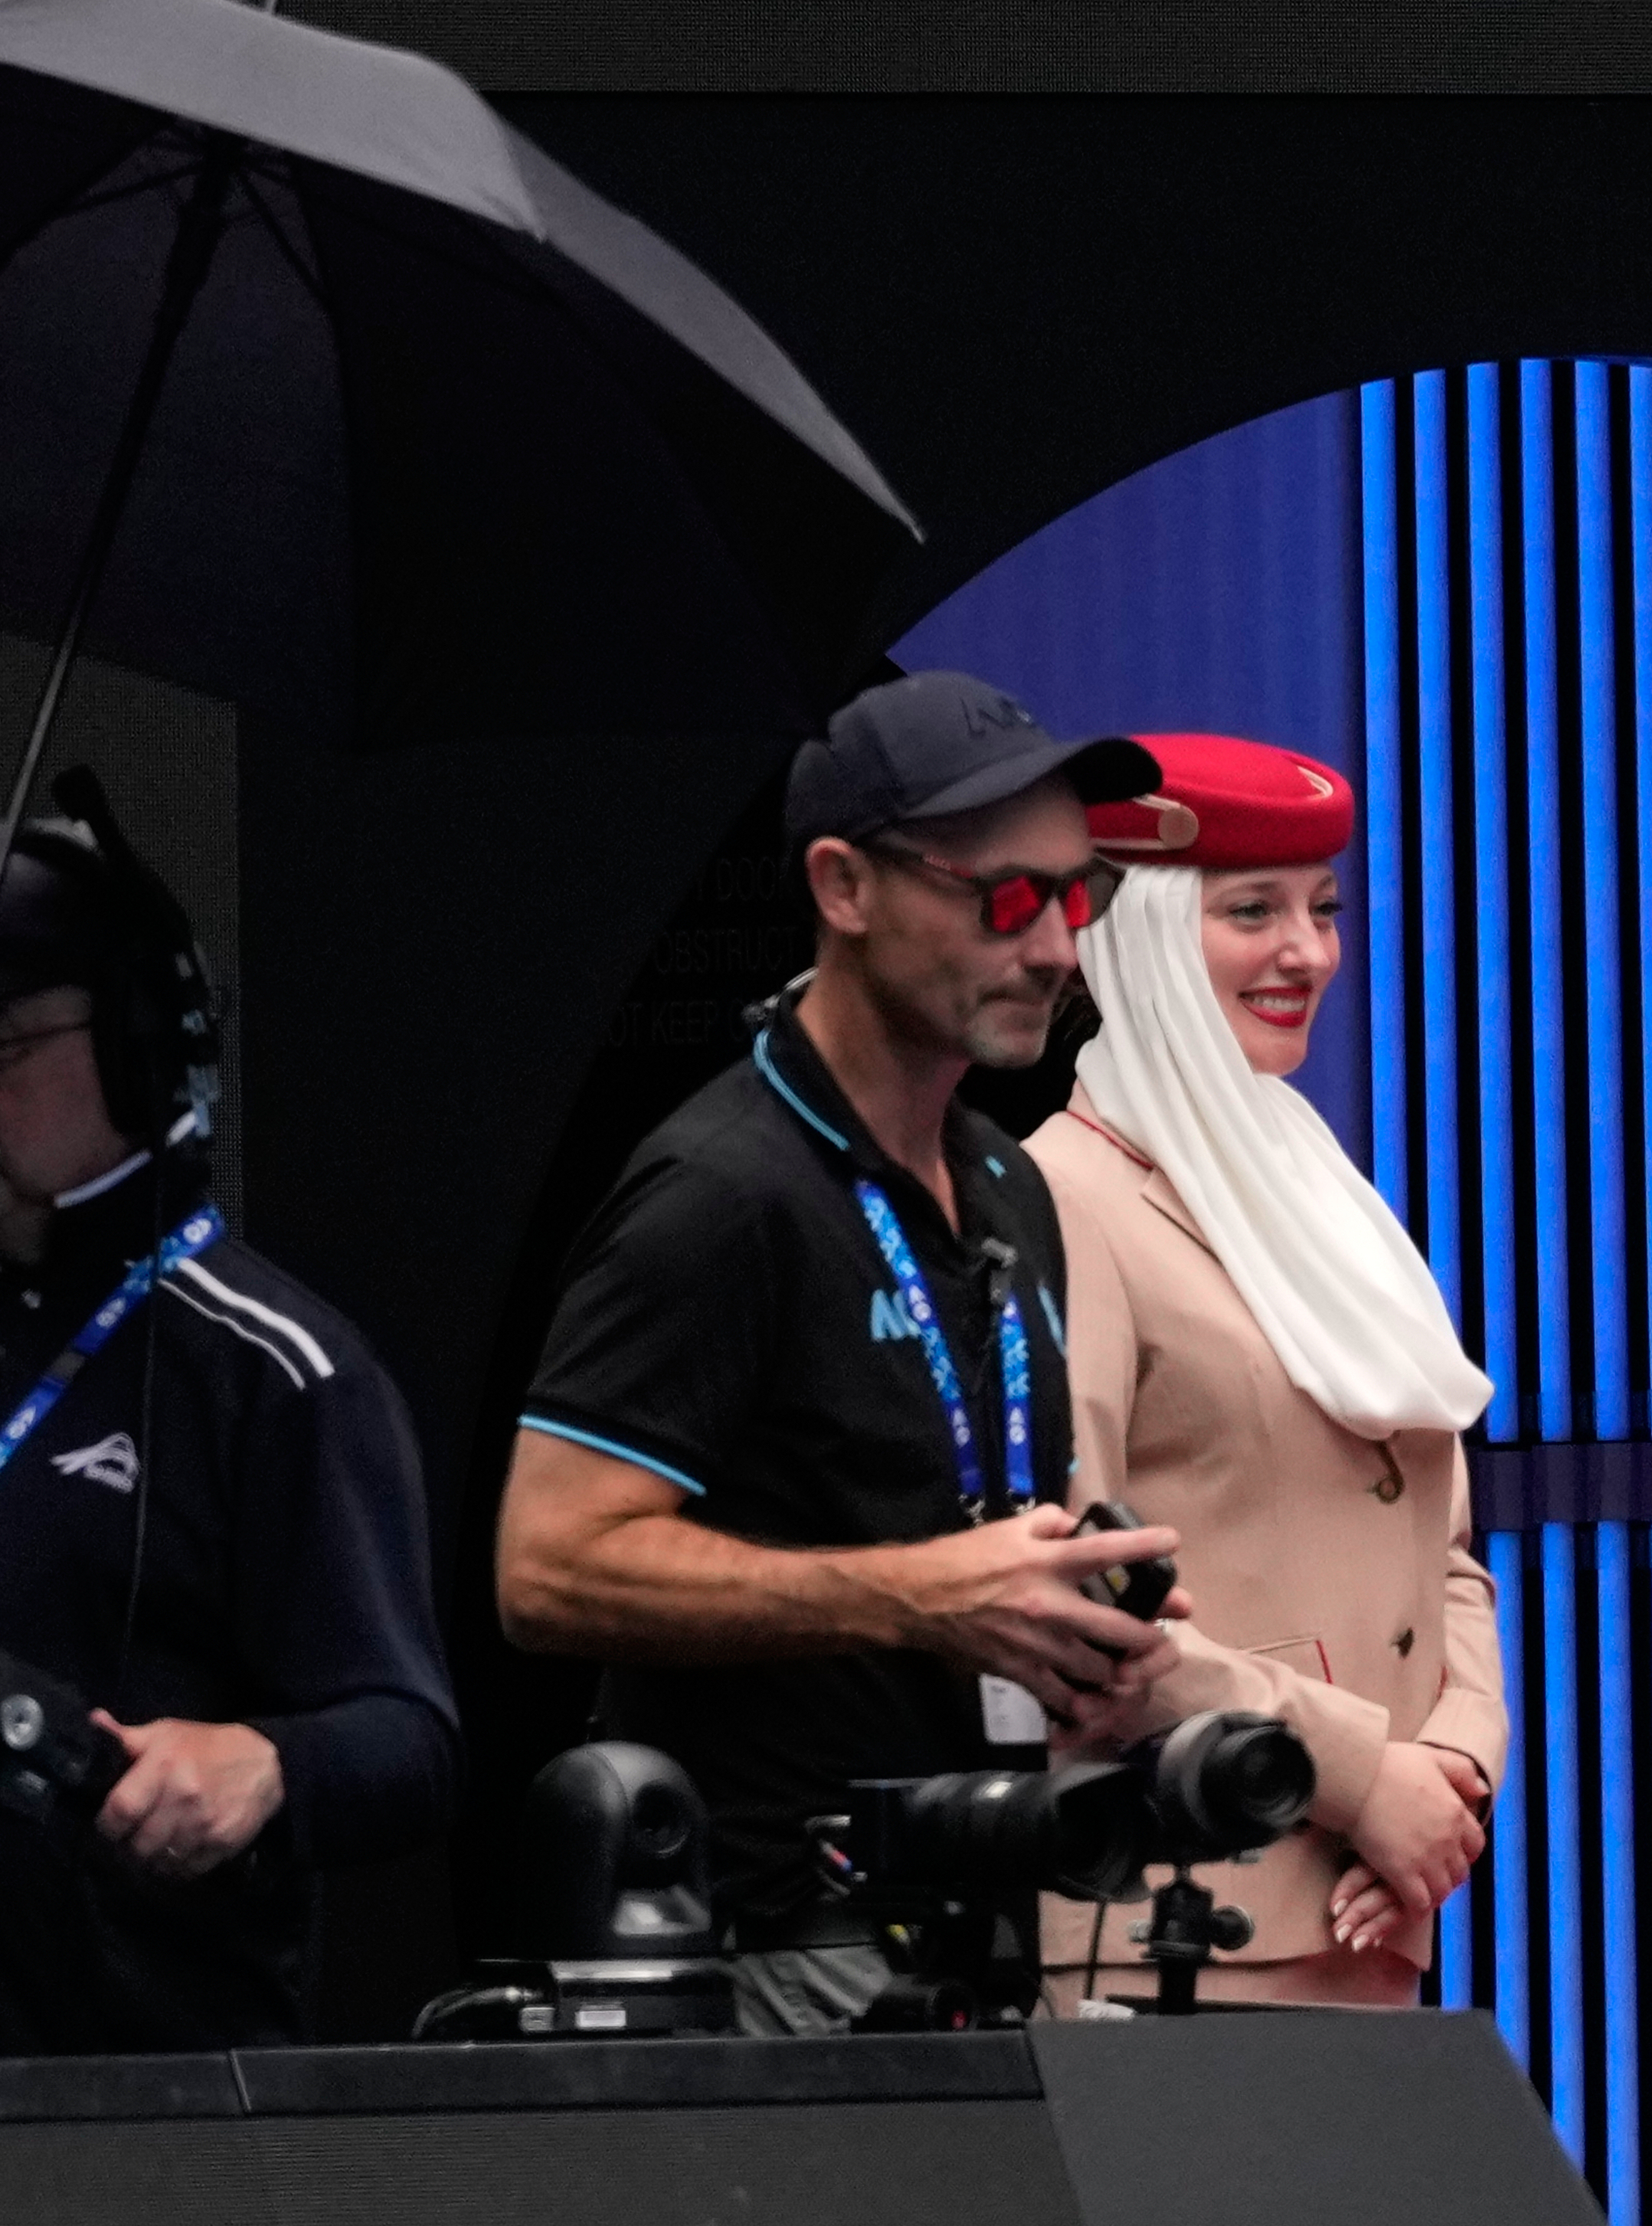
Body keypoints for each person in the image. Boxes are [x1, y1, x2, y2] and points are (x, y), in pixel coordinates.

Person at [497, 673, 1188, 2034]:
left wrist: (1072, 1629)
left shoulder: (1004, 1181)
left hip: (980, 1932)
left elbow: (962, 1544)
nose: (1054, 946)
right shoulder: (722, 1191)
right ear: (845, 885)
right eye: (1005, 899)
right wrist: (913, 1596)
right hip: (772, 1953)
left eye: (1078, 894)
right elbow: (546, 1562)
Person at [1029, 733, 1503, 2008]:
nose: (1308, 950)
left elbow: (1445, 1548)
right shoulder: (1063, 1196)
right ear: (1135, 937)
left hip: (1372, 1911)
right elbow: (1073, 1594)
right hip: (1175, 1929)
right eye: (1252, 910)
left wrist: (1450, 1767)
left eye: (1324, 907)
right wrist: (1360, 1774)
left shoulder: (1318, 1187)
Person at [0, 774, 453, 2052]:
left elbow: (408, 1736)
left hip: (139, 2090)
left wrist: (263, 1764)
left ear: (146, 1044)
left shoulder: (279, 1368)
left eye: (8, 1042)